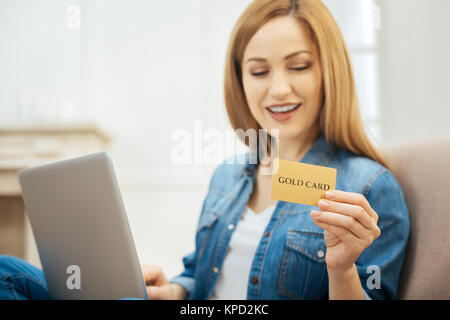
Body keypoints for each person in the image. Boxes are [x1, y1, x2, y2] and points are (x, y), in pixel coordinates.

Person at [0, 0, 409, 300]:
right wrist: (175, 291)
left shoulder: (368, 186)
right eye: (259, 71)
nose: (279, 88)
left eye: (299, 66)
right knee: (7, 272)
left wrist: (340, 271)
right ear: (240, 81)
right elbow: (201, 274)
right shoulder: (231, 174)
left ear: (328, 72)